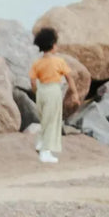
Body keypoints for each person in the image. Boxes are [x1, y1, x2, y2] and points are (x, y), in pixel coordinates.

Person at [29, 27, 74, 163]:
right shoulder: (58, 61)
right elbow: (69, 77)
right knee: (52, 121)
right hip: (53, 90)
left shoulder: (37, 63)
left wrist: (37, 91)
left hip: (41, 91)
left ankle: (41, 144)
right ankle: (46, 151)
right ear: (52, 45)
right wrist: (74, 93)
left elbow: (32, 80)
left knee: (45, 119)